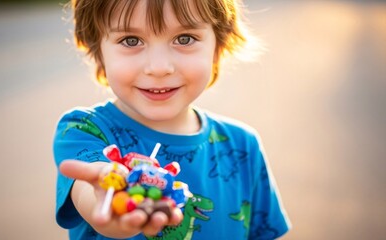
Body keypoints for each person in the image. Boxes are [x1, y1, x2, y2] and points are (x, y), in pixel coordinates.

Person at [53, 0, 291, 239]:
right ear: (99, 51)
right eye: (131, 41)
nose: (159, 68)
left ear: (218, 46)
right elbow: (91, 186)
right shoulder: (83, 130)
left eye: (185, 38)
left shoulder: (243, 146)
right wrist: (108, 201)